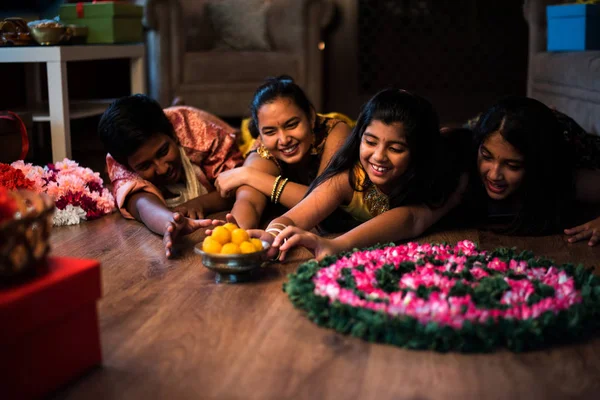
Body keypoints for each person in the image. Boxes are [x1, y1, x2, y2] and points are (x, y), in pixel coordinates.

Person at [248, 88, 467, 261]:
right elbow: (292, 218)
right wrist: (271, 237)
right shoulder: (350, 178)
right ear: (359, 137)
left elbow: (411, 219)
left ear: (418, 152)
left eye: (396, 148)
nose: (379, 156)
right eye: (370, 142)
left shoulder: (446, 175)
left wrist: (335, 245)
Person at [98, 94, 243, 258]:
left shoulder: (199, 131)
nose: (162, 169)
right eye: (145, 166)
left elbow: (239, 185)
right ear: (128, 166)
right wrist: (168, 221)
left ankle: (178, 103)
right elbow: (140, 204)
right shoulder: (119, 162)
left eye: (163, 152)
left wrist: (201, 203)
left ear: (173, 135)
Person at [213, 76, 352, 229]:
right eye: (270, 131)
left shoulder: (335, 131)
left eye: (291, 125)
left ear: (311, 117)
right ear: (260, 133)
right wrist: (235, 235)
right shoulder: (263, 147)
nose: (284, 139)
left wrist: (249, 175)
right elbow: (248, 201)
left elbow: (324, 202)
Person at [466, 96, 600, 244]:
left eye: (513, 166)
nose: (494, 175)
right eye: (486, 156)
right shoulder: (468, 148)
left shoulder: (568, 174)